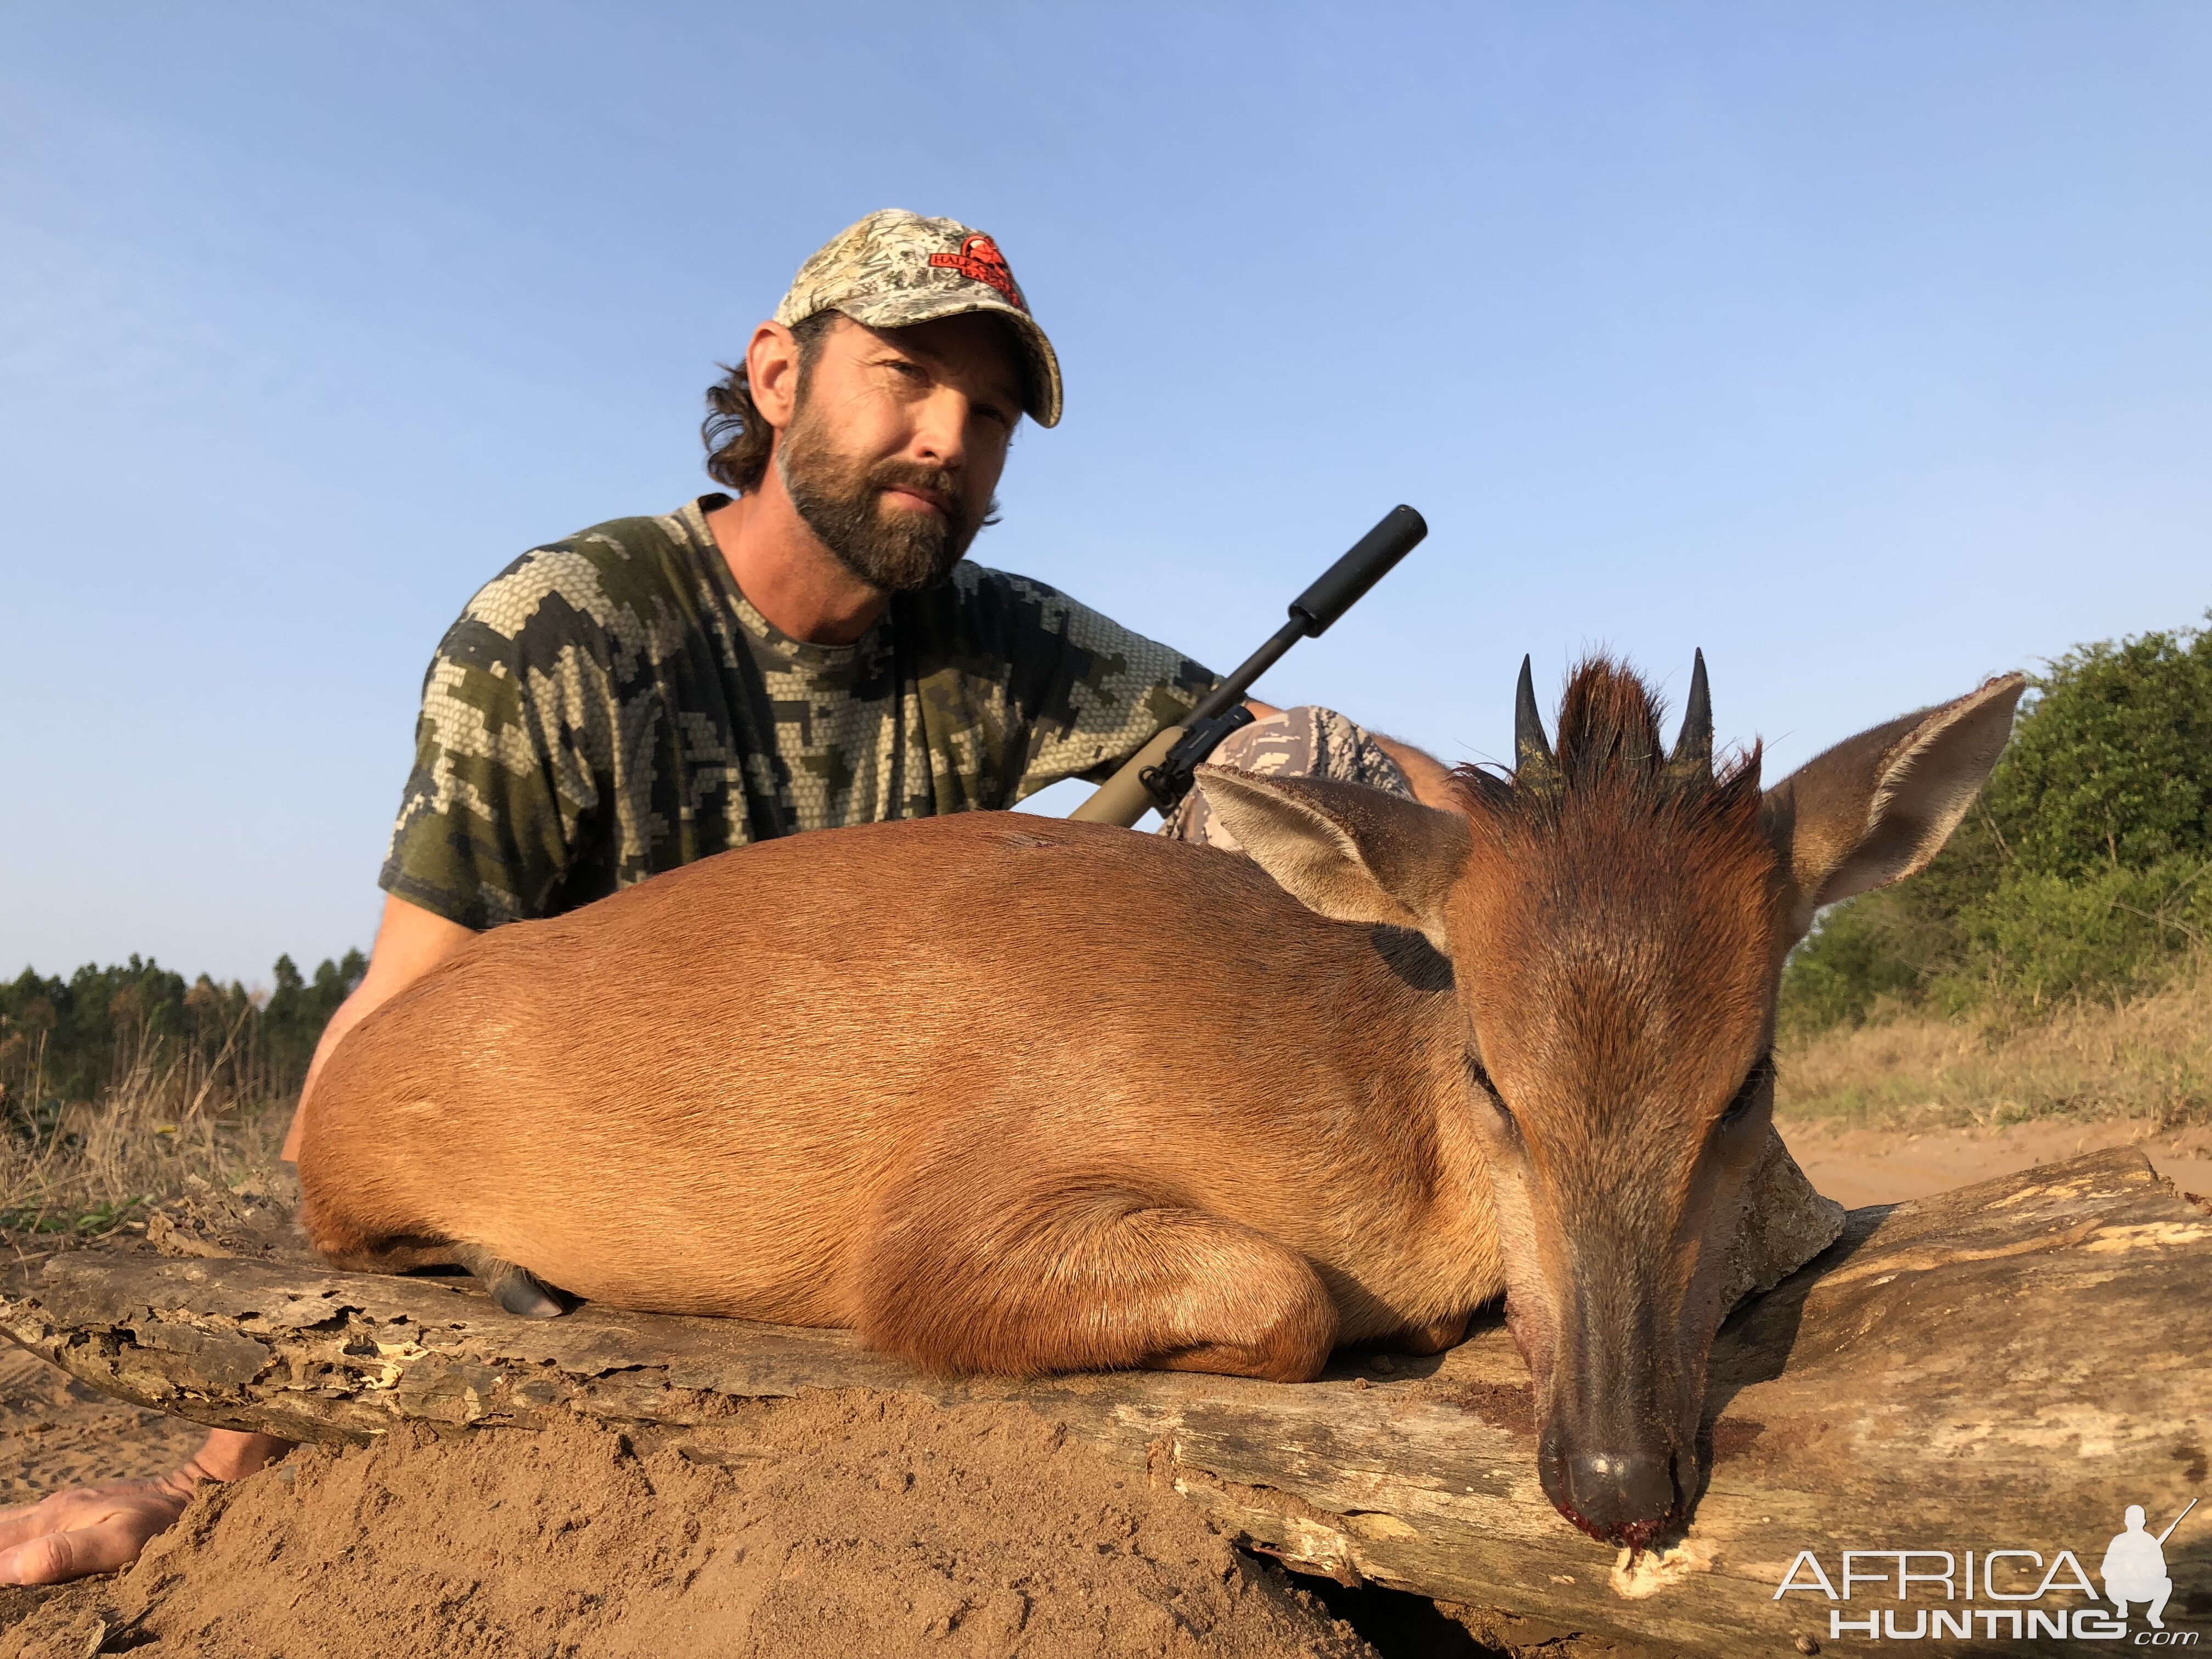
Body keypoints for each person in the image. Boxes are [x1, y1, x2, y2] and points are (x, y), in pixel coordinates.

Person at [0, 209, 1451, 1586]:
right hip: (644, 1149)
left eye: (991, 415)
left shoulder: (1006, 638)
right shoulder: (563, 628)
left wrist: (1548, 844)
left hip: (908, 1177)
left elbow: (1298, 754)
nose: (947, 438)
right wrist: (207, 1480)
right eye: (905, 376)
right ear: (775, 376)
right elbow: (397, 1038)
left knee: (1289, 770)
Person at [2101, 1504, 2176, 1629]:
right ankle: (2122, 1606)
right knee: (2109, 1583)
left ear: (2144, 1521)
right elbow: (2106, 1569)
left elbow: (2162, 1570)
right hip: (2123, 1587)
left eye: (2137, 1519)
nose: (2134, 1522)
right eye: (2131, 1519)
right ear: (2126, 1521)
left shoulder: (2151, 1541)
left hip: (2145, 1587)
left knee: (2166, 1583)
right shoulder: (2118, 1541)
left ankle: (2154, 1615)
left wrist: (2146, 1570)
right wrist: (2121, 1571)